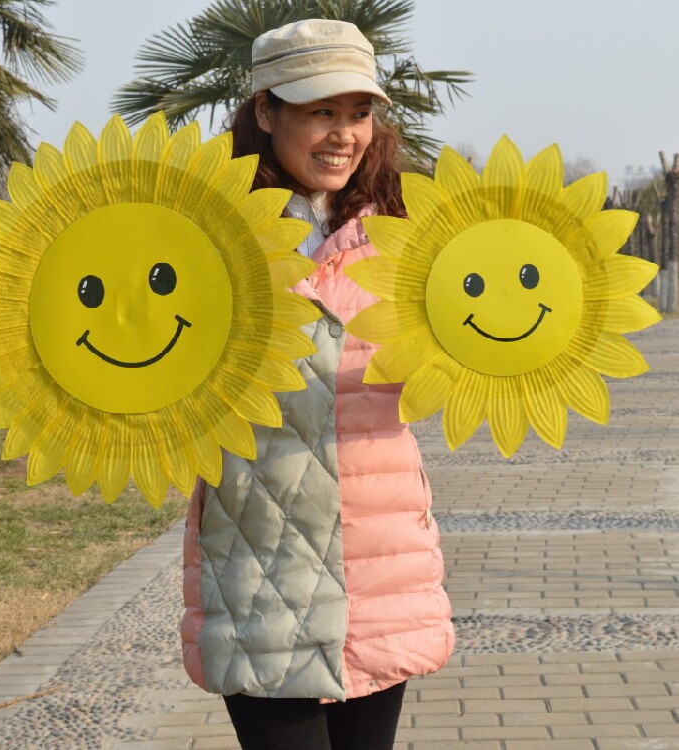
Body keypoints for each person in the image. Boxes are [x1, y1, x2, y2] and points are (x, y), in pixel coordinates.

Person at [181, 18, 455, 750]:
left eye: (359, 113)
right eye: (321, 110)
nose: (344, 134)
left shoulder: (407, 235)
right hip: (258, 557)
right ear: (266, 112)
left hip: (379, 560)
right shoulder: (205, 236)